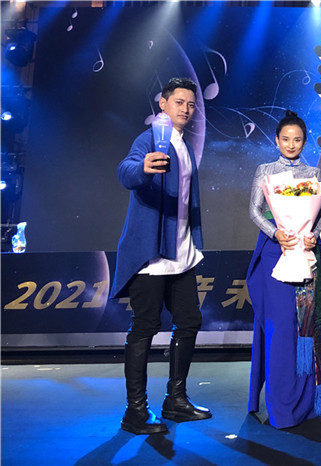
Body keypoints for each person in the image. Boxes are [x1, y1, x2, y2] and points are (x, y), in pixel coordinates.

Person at [111, 77, 211, 435]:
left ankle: (176, 400)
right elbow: (126, 170)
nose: (186, 109)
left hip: (181, 254)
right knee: (144, 327)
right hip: (152, 257)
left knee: (189, 322)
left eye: (191, 104)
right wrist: (142, 168)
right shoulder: (149, 139)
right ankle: (135, 411)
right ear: (163, 104)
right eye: (179, 102)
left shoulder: (184, 146)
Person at [246, 110, 321, 428]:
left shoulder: (313, 172)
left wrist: (314, 234)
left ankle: (307, 403)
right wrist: (276, 233)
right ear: (276, 140)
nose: (291, 144)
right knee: (280, 328)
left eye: (297, 140)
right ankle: (281, 405)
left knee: (305, 328)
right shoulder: (265, 170)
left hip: (306, 253)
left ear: (304, 142)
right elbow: (254, 210)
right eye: (286, 139)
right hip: (276, 254)